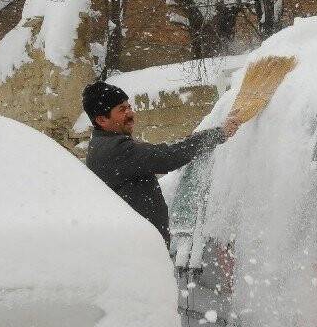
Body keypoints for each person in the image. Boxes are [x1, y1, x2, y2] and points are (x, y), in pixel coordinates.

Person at [82, 80, 238, 246]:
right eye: (122, 110)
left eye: (129, 107)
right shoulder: (115, 149)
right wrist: (218, 133)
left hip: (137, 245)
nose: (130, 113)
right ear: (101, 120)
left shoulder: (102, 144)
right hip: (139, 248)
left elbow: (163, 153)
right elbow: (168, 156)